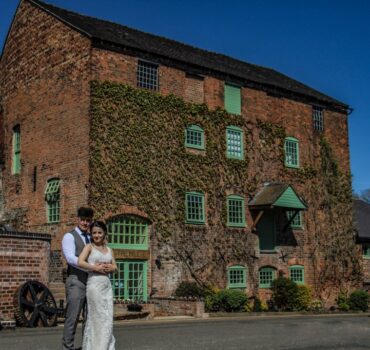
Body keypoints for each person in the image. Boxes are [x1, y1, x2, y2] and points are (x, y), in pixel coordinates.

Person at [62, 207, 103, 350]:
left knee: (90, 318)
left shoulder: (92, 237)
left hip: (92, 282)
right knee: (72, 318)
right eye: (83, 220)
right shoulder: (69, 236)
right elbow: (71, 259)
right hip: (76, 281)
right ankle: (67, 348)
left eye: (88, 220)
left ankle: (87, 346)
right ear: (78, 219)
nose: (85, 223)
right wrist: (92, 267)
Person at [78, 220, 117, 350]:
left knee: (107, 316)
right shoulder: (89, 247)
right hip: (94, 285)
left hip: (106, 285)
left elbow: (115, 266)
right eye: (94, 233)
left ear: (104, 233)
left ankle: (106, 346)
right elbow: (80, 262)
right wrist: (95, 268)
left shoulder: (110, 249)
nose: (97, 235)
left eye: (99, 232)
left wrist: (111, 267)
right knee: (97, 316)